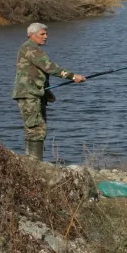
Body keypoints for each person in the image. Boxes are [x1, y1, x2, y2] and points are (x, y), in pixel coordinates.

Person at [12, 23, 85, 160]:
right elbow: (49, 67)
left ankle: (33, 161)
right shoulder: (30, 49)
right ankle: (34, 164)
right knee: (35, 128)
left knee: (38, 127)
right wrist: (73, 76)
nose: (46, 37)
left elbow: (41, 72)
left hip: (35, 93)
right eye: (42, 34)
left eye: (46, 34)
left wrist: (46, 92)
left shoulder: (32, 48)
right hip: (29, 94)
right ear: (32, 35)